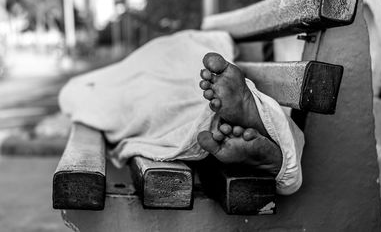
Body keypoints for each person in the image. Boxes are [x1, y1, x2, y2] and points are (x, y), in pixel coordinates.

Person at [59, 30, 304, 195]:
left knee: (138, 94)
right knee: (158, 81)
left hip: (142, 70)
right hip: (188, 52)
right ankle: (260, 127)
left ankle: (218, 119)